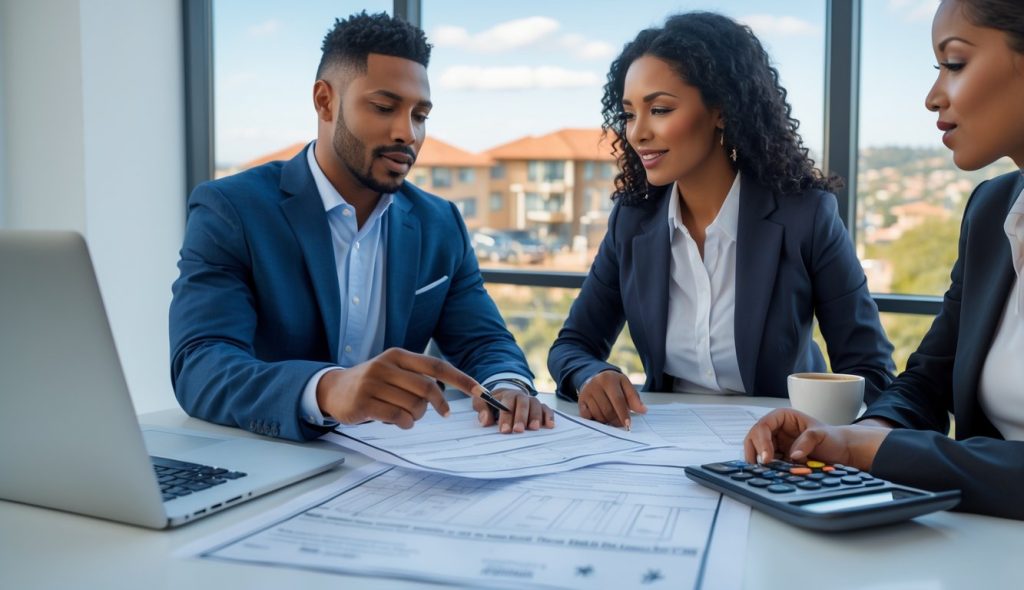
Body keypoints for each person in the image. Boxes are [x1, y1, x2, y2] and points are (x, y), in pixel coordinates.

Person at [169, 12, 554, 443]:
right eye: (384, 107)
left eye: (420, 115)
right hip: (271, 459)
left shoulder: (439, 223)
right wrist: (329, 389)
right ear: (325, 101)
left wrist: (508, 386)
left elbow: (484, 341)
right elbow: (201, 364)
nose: (406, 133)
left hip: (397, 469)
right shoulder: (233, 209)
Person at [745, 0, 1024, 520]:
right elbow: (927, 379)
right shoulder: (992, 212)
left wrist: (870, 452)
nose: (932, 96)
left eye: (956, 64)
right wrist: (851, 435)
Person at [547, 12, 895, 428]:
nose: (637, 133)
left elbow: (870, 372)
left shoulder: (805, 215)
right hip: (661, 440)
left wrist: (819, 431)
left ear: (721, 111)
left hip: (781, 445)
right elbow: (572, 345)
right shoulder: (633, 220)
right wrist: (593, 373)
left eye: (659, 109)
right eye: (628, 114)